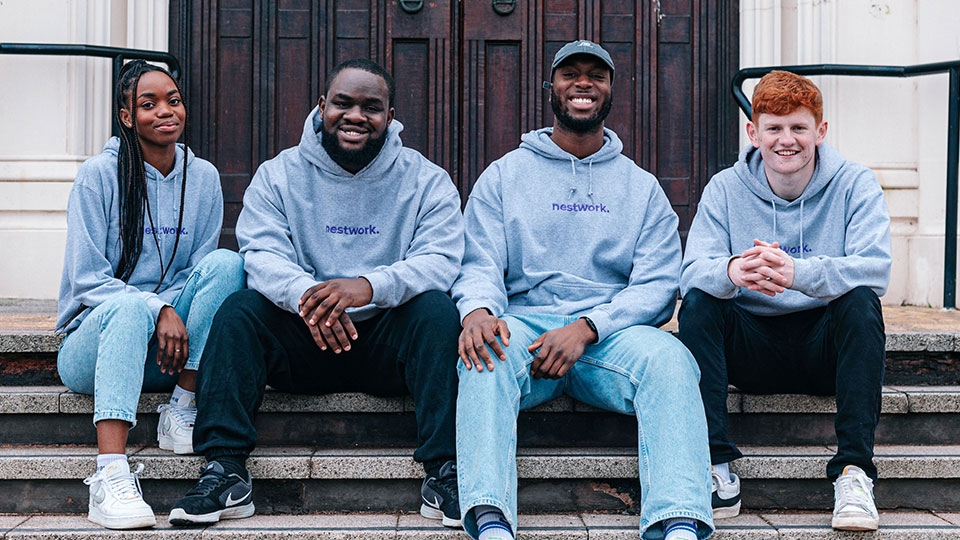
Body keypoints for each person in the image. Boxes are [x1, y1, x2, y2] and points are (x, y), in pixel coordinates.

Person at [168, 58, 465, 528]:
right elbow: (261, 253)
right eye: (343, 103)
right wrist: (312, 297)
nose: (355, 117)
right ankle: (224, 470)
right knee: (240, 310)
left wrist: (368, 286)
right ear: (321, 106)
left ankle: (445, 474)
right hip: (304, 340)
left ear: (390, 117)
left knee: (437, 311)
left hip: (388, 346)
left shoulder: (426, 180)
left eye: (372, 107)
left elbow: (442, 259)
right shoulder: (278, 174)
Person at [452, 40, 714, 540]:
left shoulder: (640, 187)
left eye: (596, 75)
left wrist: (589, 327)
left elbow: (659, 284)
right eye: (570, 73)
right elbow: (478, 261)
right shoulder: (505, 176)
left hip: (609, 336)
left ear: (612, 90)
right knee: (481, 355)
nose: (583, 84)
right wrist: (478, 310)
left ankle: (677, 517)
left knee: (672, 360)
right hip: (526, 327)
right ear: (550, 87)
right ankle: (490, 518)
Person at [678, 70, 891, 531]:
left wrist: (799, 274)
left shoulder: (856, 183)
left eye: (798, 127)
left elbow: (875, 269)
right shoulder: (725, 188)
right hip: (750, 349)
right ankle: (715, 467)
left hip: (824, 349)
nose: (786, 140)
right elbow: (691, 271)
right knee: (698, 301)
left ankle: (854, 473)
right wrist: (733, 270)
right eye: (774, 128)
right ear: (753, 133)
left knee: (861, 302)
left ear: (821, 131)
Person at [56, 60, 245, 529]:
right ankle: (111, 475)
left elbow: (200, 271)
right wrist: (154, 306)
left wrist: (167, 310)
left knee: (228, 264)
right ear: (126, 117)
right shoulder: (97, 176)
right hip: (92, 347)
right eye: (148, 104)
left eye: (173, 100)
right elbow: (87, 280)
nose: (166, 111)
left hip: (165, 356)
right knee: (123, 304)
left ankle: (182, 409)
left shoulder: (202, 178)